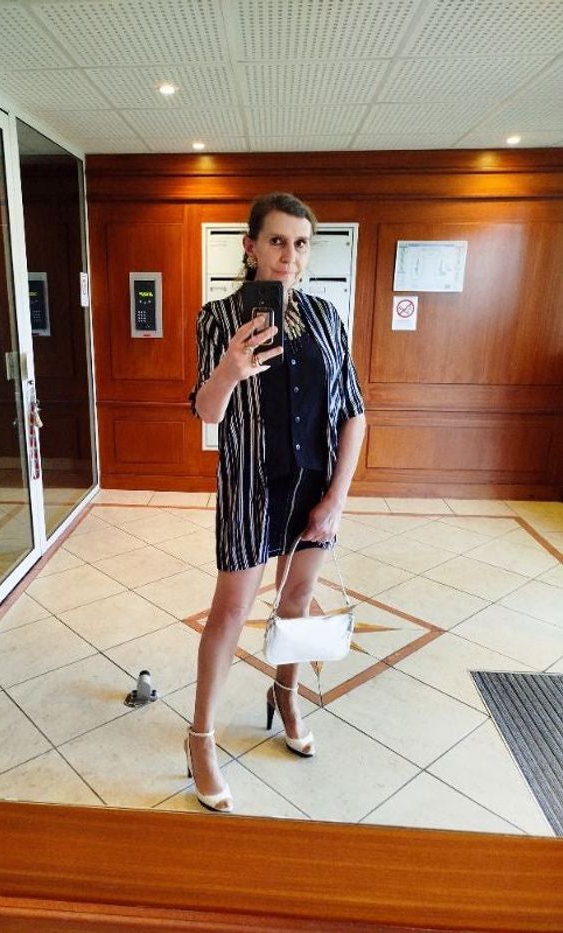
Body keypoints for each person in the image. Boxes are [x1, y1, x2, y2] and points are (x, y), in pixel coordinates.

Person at [187, 192, 365, 812]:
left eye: (301, 243)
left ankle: (285, 696)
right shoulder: (218, 318)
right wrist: (230, 369)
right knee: (231, 612)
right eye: (278, 241)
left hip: (314, 486)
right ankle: (200, 738)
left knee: (296, 606)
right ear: (251, 247)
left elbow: (354, 413)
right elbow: (207, 412)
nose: (290, 255)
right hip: (249, 487)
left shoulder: (326, 318)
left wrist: (336, 498)